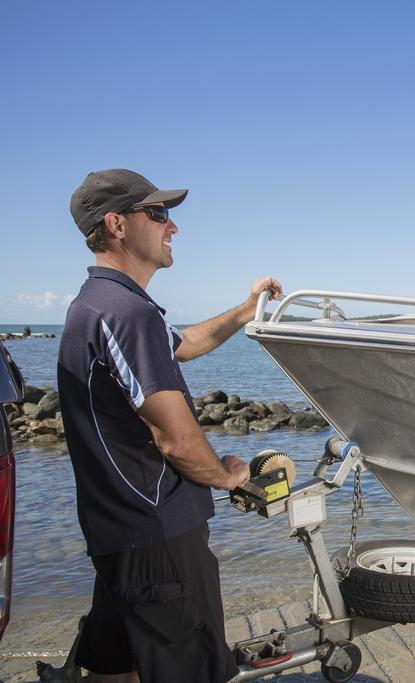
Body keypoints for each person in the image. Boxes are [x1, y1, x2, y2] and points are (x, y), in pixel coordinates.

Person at [58, 169, 283, 682]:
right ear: (116, 225)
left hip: (119, 534)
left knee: (114, 669)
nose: (172, 226)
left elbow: (185, 344)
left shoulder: (97, 305)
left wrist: (248, 310)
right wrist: (226, 475)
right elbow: (176, 439)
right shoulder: (124, 313)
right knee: (195, 670)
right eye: (157, 214)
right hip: (158, 539)